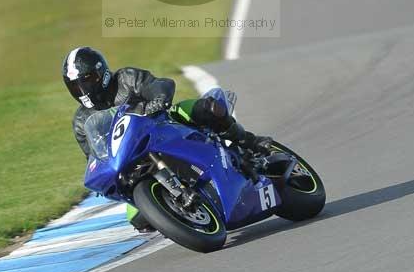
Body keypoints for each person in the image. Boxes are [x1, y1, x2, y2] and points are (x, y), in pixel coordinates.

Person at [62, 46, 272, 233]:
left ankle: (249, 142)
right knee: (137, 219)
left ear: (101, 73)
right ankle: (181, 213)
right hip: (130, 160)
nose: (83, 90)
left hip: (163, 125)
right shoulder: (82, 121)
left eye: (87, 80)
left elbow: (157, 85)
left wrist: (158, 99)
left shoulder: (125, 78)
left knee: (207, 108)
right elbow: (92, 154)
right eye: (75, 86)